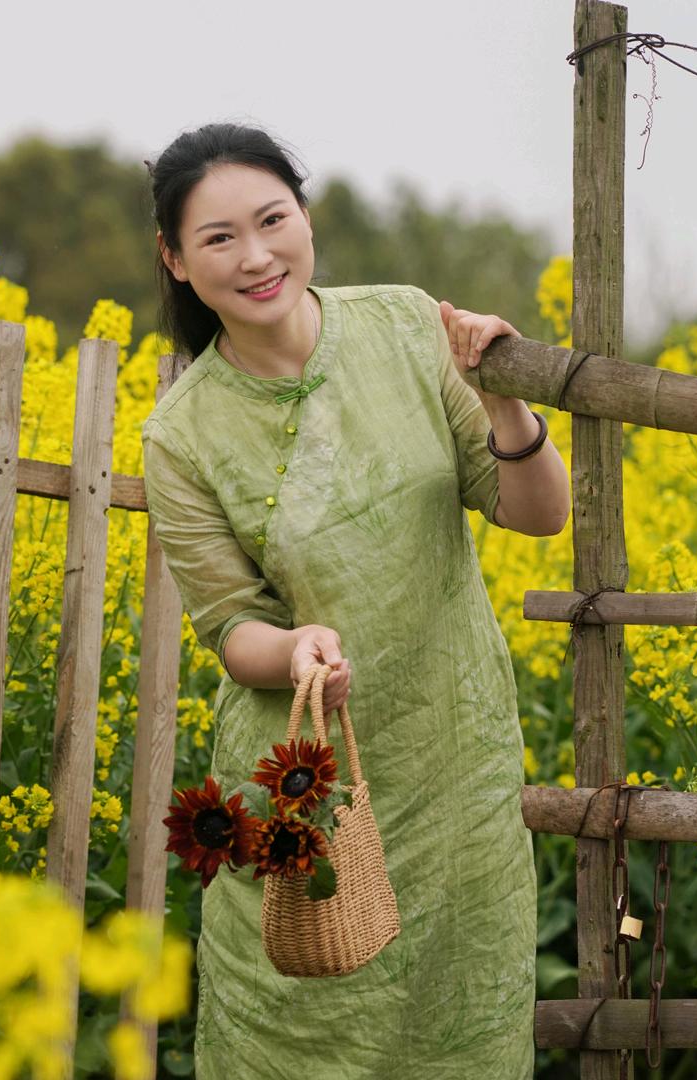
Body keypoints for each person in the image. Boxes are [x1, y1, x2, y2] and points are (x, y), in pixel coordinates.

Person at [141, 122, 569, 1079]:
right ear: (175, 259)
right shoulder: (181, 434)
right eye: (217, 239)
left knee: (461, 1030)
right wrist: (292, 647)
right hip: (306, 791)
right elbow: (229, 628)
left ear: (305, 214)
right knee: (300, 1038)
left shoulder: (406, 325)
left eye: (271, 220)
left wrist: (499, 397)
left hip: (453, 770)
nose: (256, 257)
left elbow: (537, 515)